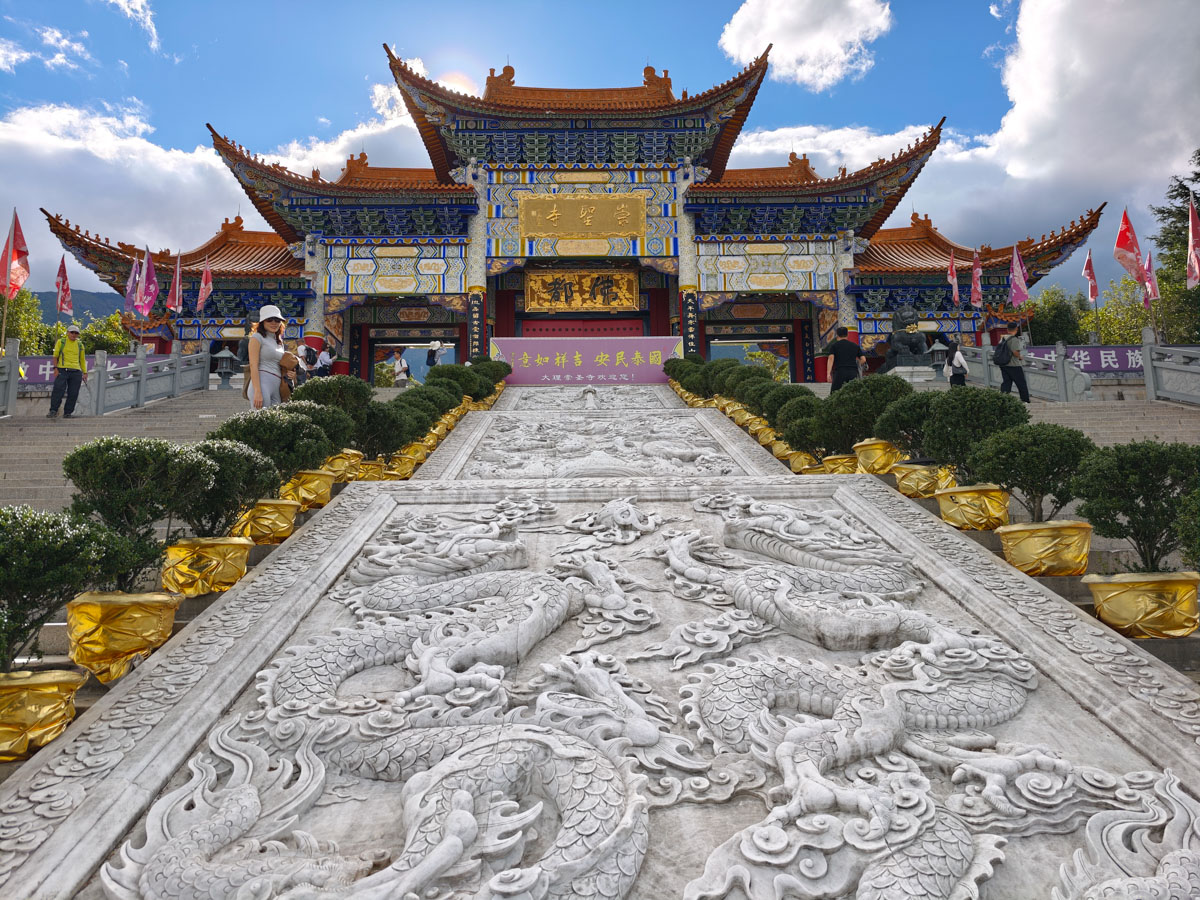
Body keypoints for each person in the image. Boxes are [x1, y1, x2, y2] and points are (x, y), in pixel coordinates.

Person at [248, 305, 287, 409]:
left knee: (277, 418)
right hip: (262, 384)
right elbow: (253, 365)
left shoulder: (279, 341)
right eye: (269, 319)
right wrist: (257, 391)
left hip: (277, 386)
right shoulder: (257, 337)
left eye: (277, 320)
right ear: (262, 322)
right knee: (261, 418)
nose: (274, 323)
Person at [46, 323, 88, 419]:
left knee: (73, 393)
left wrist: (85, 372)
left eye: (76, 333)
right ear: (68, 333)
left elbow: (82, 359)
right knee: (58, 391)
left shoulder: (80, 345)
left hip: (76, 371)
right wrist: (55, 368)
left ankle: (68, 412)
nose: (74, 335)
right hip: (62, 369)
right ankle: (53, 411)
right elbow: (55, 356)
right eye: (72, 332)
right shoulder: (61, 342)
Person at [820, 326, 866, 393]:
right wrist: (856, 364)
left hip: (840, 372)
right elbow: (863, 359)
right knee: (853, 393)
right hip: (852, 372)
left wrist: (828, 373)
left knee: (835, 393)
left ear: (837, 335)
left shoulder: (834, 346)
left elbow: (831, 358)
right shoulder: (855, 346)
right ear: (847, 334)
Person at [998, 321, 1030, 403]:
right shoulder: (1014, 339)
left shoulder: (1003, 338)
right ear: (1016, 329)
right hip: (1014, 365)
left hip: (1004, 364)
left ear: (1007, 329)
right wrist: (1020, 357)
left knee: (1007, 383)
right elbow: (1015, 352)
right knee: (1021, 383)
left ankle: (1002, 400)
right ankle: (1025, 400)